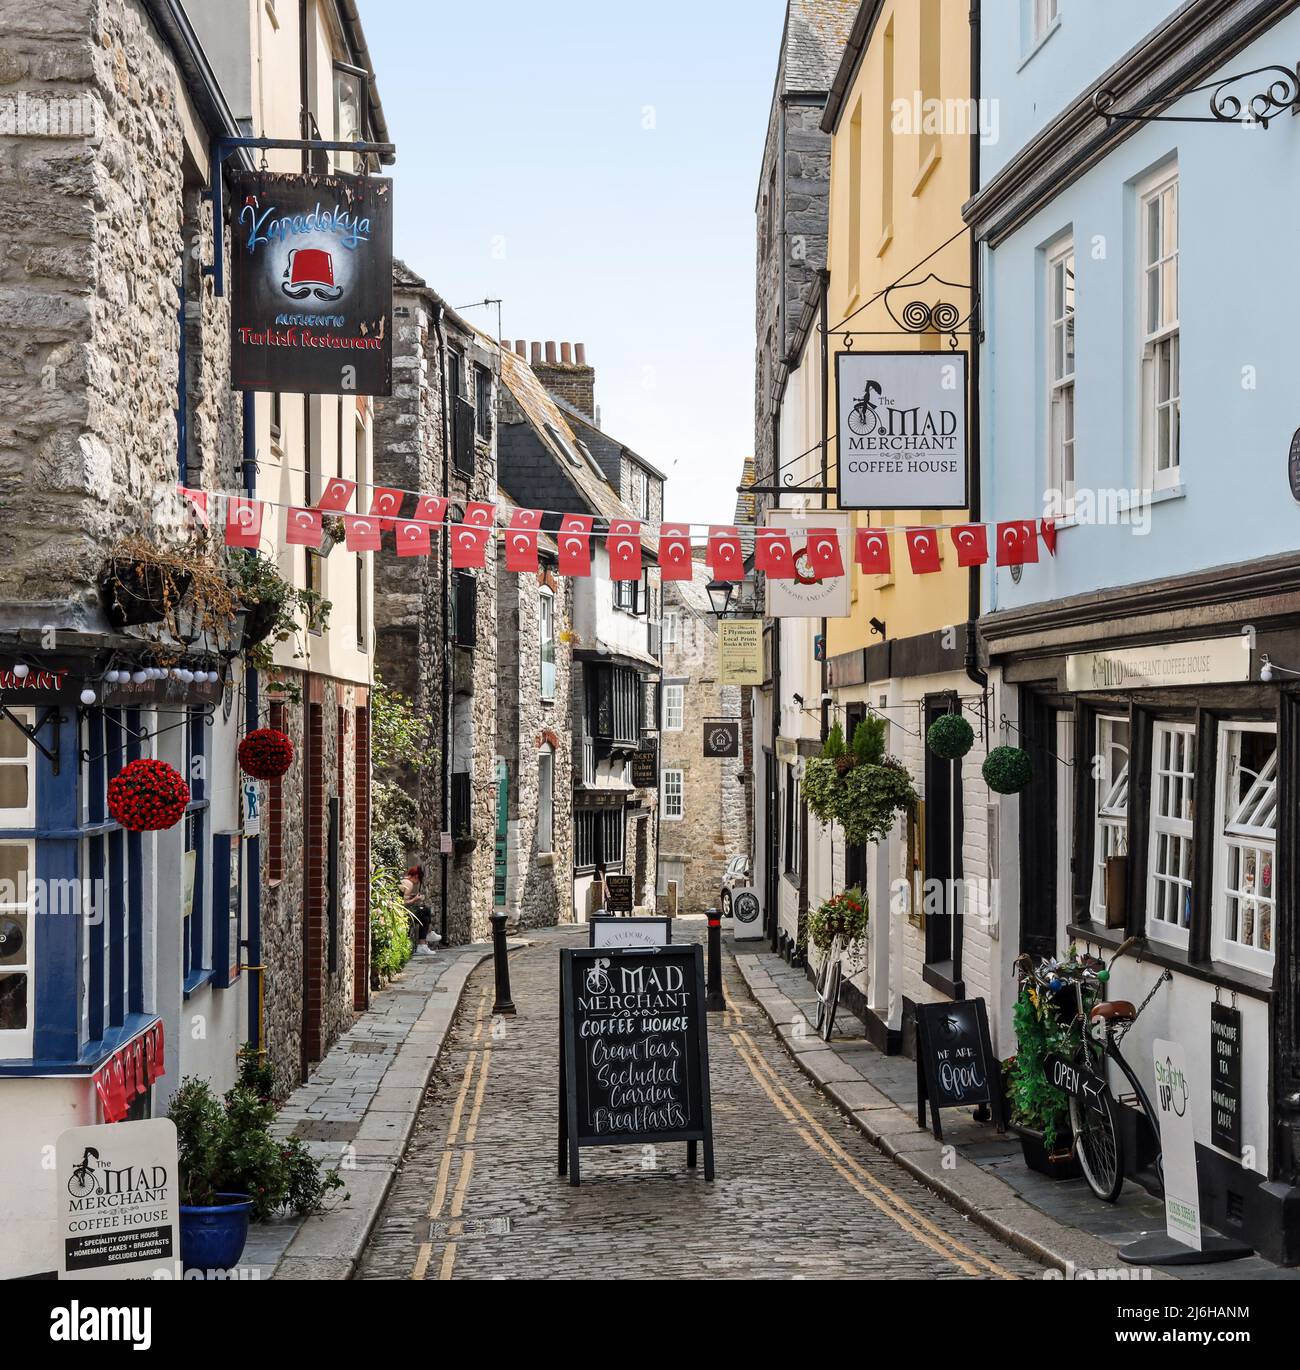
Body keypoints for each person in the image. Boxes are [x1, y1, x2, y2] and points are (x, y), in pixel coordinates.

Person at [402, 864, 434, 954]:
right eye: (418, 880)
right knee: (425, 910)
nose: (417, 883)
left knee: (425, 917)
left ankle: (423, 943)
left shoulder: (404, 881)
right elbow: (403, 903)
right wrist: (415, 899)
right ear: (416, 876)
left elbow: (403, 897)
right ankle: (426, 938)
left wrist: (411, 897)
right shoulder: (409, 884)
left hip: (404, 911)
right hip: (404, 912)